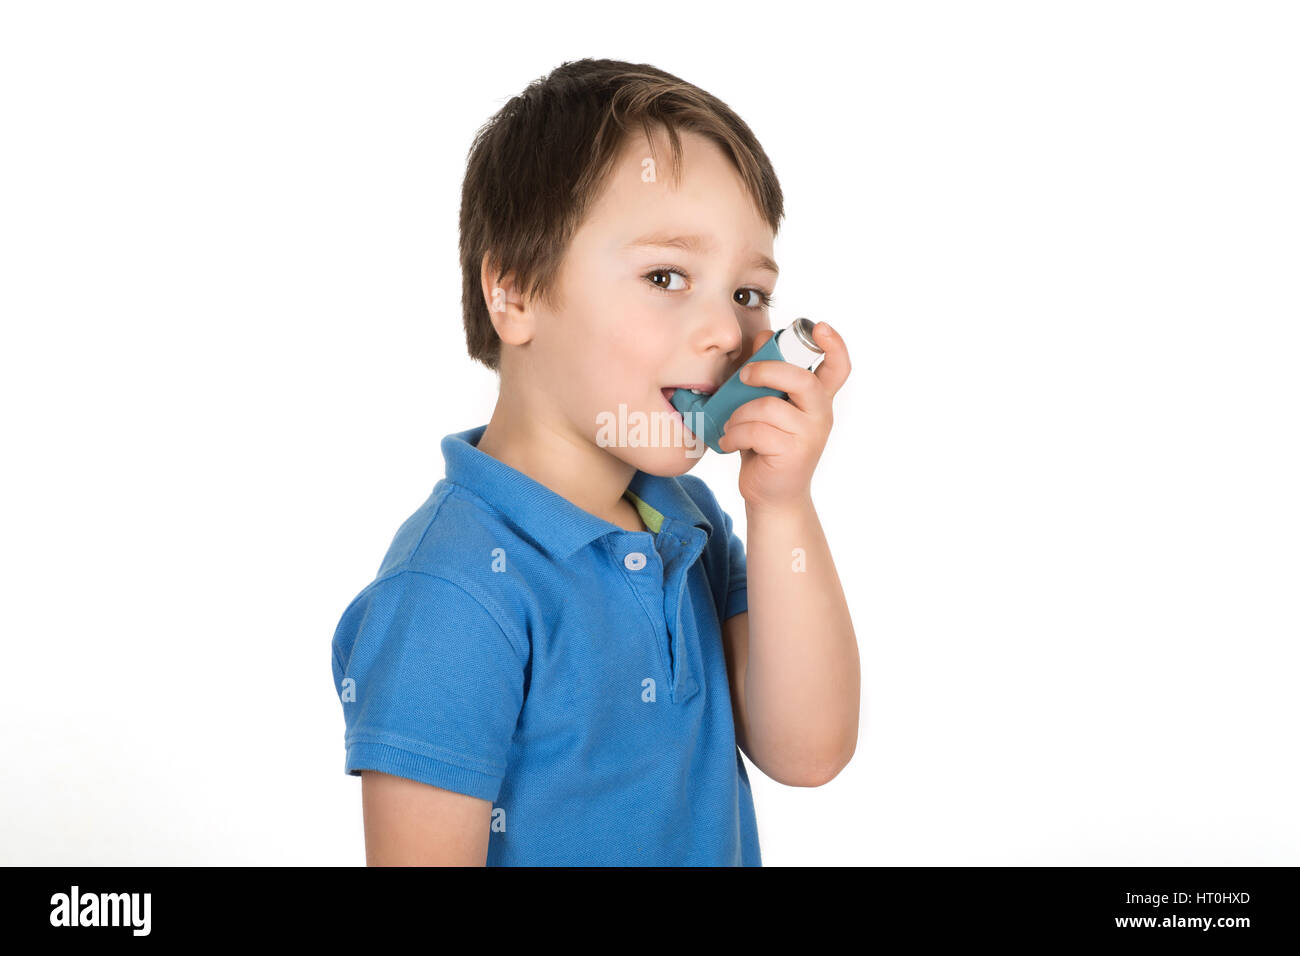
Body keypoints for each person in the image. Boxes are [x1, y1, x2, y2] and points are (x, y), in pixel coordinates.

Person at [331, 58, 858, 865]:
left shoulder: (688, 519)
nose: (726, 329)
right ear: (513, 293)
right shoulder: (452, 594)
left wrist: (781, 503)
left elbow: (808, 750)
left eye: (748, 293)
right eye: (666, 275)